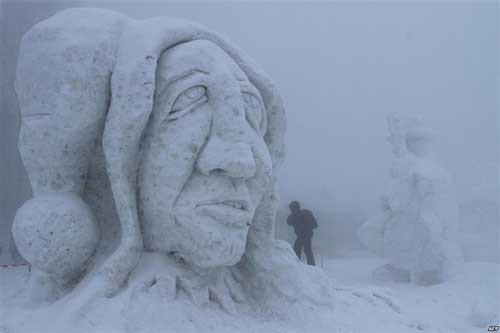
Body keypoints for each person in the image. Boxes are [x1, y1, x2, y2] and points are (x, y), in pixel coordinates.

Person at [287, 201, 317, 265]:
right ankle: (296, 265)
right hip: (300, 236)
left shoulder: (305, 214)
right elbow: (288, 222)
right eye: (290, 209)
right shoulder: (294, 216)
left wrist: (306, 228)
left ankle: (312, 266)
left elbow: (315, 225)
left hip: (307, 235)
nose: (291, 210)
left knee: (307, 250)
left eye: (291, 208)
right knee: (296, 250)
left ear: (296, 207)